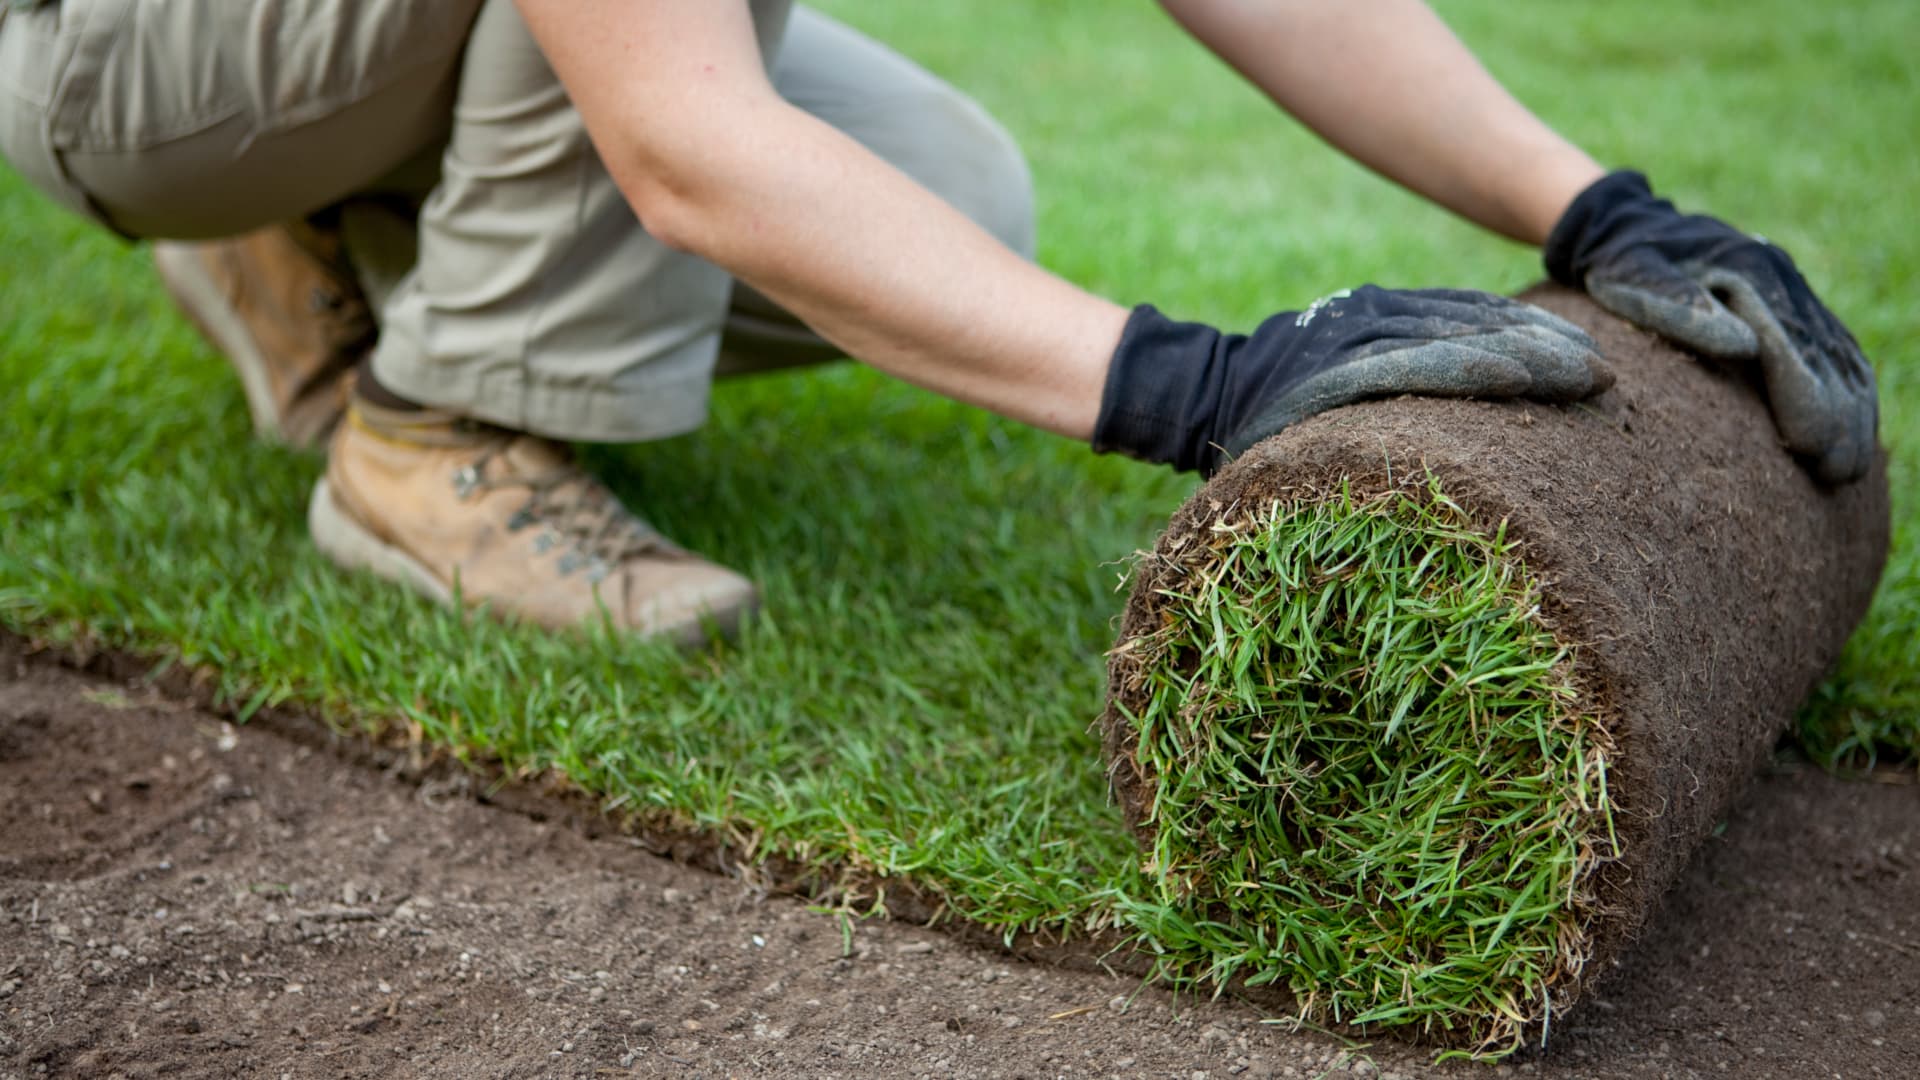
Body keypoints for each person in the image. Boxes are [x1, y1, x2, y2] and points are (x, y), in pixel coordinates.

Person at [0, 0, 1877, 645]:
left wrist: (1595, 208)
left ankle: (310, 221)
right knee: (720, 128)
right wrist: (1199, 386)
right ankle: (435, 441)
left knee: (954, 204)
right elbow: (684, 146)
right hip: (125, 62)